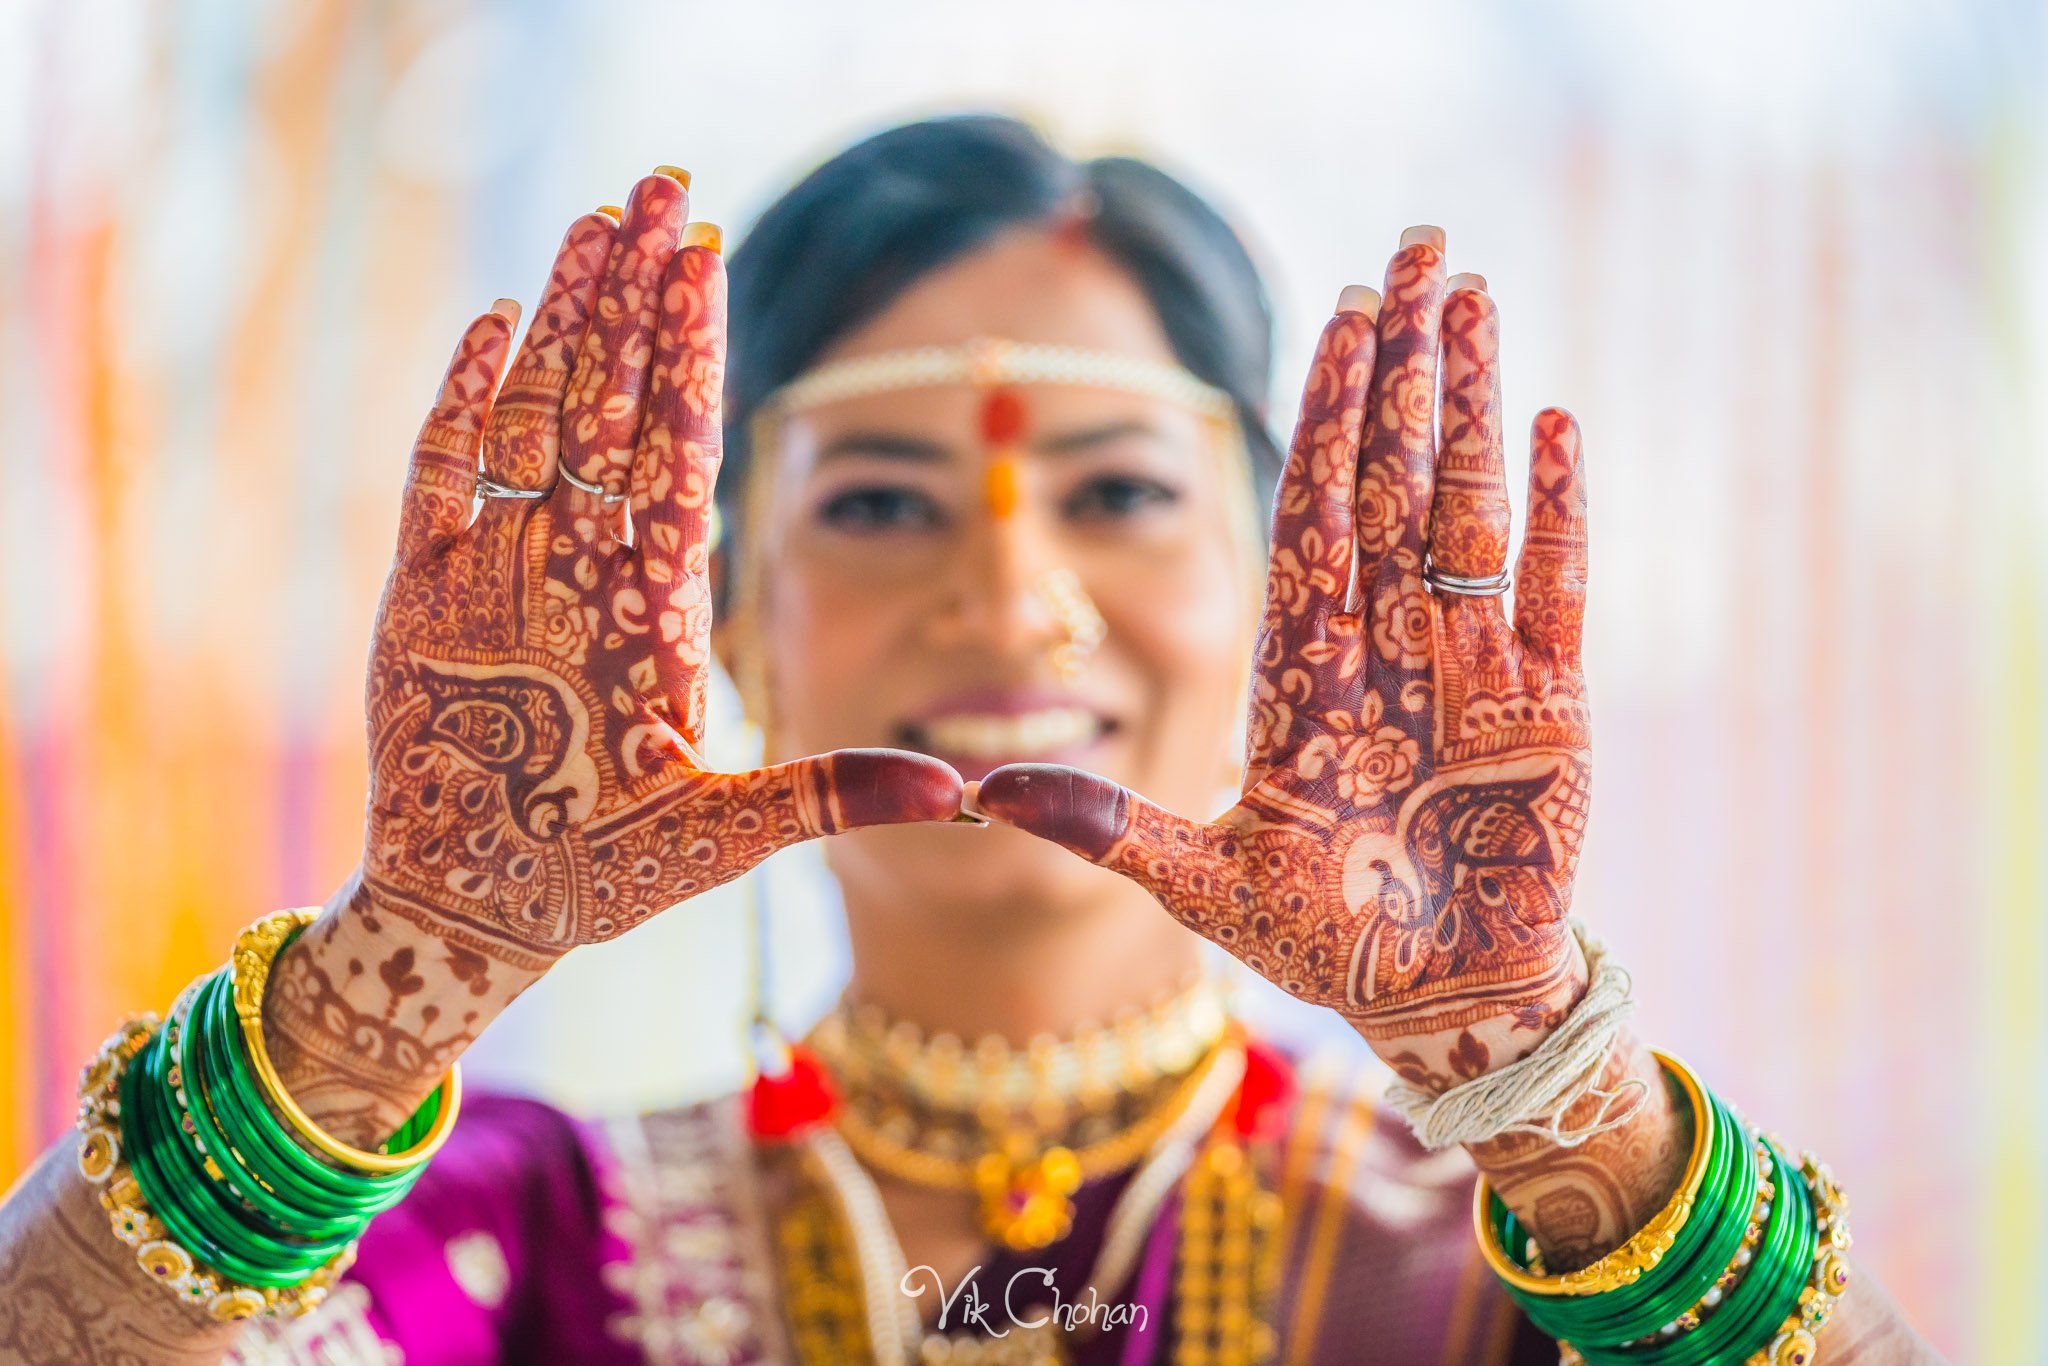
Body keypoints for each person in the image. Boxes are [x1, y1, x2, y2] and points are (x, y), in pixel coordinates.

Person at [0, 116, 1941, 1365]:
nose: (1011, 598)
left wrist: (1537, 1079)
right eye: (875, 505)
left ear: (1287, 601)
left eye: (1112, 493)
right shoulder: (510, 1240)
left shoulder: (1508, 1273)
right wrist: (388, 976)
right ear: (726, 614)